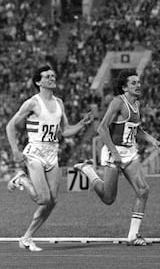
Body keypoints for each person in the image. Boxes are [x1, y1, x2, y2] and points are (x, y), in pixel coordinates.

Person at [6, 65, 93, 252]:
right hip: (35, 153)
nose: (52, 78)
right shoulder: (32, 103)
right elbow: (10, 126)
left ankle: (27, 238)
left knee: (52, 201)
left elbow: (65, 132)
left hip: (52, 154)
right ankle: (21, 179)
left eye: (53, 75)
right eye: (47, 76)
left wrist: (82, 124)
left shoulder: (60, 103)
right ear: (38, 81)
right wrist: (15, 150)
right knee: (43, 199)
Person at [74, 69, 160, 246]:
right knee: (108, 198)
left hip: (129, 152)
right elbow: (101, 128)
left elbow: (136, 129)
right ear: (124, 88)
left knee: (143, 190)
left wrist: (153, 140)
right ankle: (89, 171)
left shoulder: (137, 104)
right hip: (112, 151)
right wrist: (114, 152)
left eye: (138, 82)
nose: (138, 85)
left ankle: (133, 236)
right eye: (133, 83)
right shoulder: (117, 102)